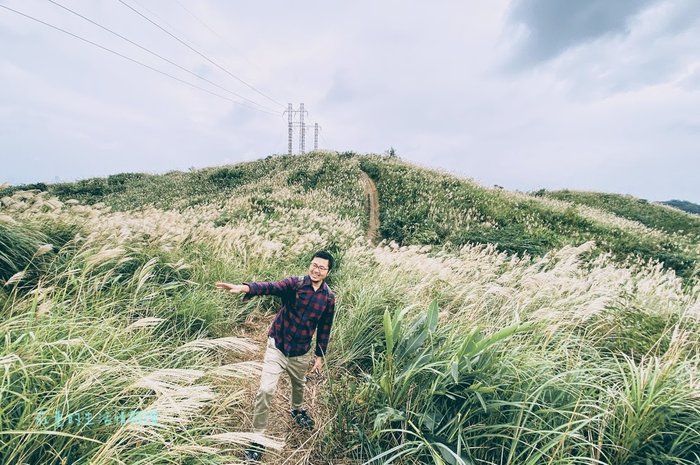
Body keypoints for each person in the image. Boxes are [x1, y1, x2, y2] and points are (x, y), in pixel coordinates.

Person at [215, 250, 336, 463]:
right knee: (265, 390)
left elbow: (325, 327)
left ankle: (297, 410)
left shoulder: (328, 298)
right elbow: (271, 287)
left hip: (301, 352)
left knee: (299, 385)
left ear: (328, 272)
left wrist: (319, 356)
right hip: (278, 346)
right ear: (310, 265)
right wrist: (245, 287)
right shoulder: (295, 284)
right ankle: (257, 438)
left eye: (321, 268)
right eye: (314, 265)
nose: (316, 270)